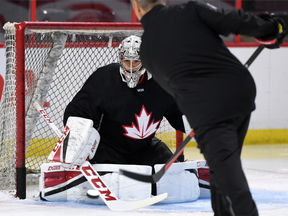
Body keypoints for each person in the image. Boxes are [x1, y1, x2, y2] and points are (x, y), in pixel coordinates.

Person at [130, 0, 286, 215]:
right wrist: (270, 28)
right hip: (239, 91)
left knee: (225, 169)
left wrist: (200, 118)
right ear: (162, 1)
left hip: (206, 109)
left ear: (136, 7)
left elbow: (175, 91)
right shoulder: (190, 9)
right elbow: (235, 21)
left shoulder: (146, 51)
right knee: (220, 168)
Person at [39, 35, 210, 204]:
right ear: (120, 58)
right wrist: (78, 135)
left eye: (136, 62)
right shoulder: (104, 78)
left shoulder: (163, 82)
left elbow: (180, 114)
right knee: (114, 181)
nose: (130, 67)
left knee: (171, 172)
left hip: (146, 148)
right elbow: (79, 110)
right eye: (126, 61)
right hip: (109, 150)